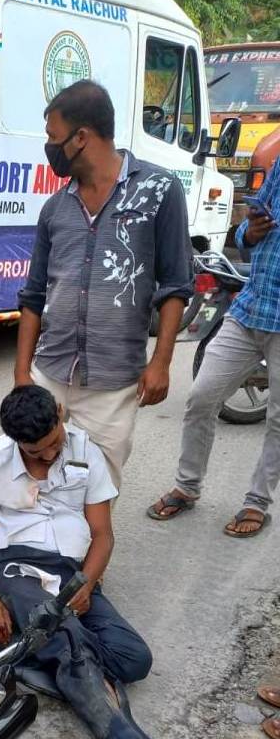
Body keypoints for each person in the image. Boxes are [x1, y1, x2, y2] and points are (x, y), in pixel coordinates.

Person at [0, 385, 188, 739]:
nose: (48, 456)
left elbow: (102, 535)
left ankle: (29, 650)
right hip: (12, 565)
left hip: (70, 572)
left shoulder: (86, 452)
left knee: (134, 659)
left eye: (53, 444)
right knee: (64, 636)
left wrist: (89, 582)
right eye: (35, 452)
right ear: (15, 442)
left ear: (60, 416)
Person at [14, 80, 193, 489]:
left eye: (53, 137)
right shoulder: (55, 208)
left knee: (95, 491)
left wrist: (161, 362)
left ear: (81, 137)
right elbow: (34, 295)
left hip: (114, 384)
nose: (49, 147)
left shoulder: (159, 191)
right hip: (50, 372)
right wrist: (23, 373)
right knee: (32, 484)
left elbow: (175, 285)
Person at [147, 158, 279, 537]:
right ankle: (187, 487)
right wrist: (251, 232)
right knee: (202, 397)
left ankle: (257, 502)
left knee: (278, 420)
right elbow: (247, 235)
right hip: (251, 308)